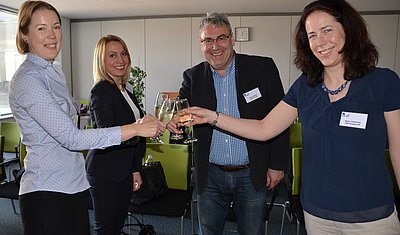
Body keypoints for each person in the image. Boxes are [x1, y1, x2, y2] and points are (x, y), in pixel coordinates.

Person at [183, 1, 400, 234]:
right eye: (312, 35)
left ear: (349, 29)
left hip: (371, 215)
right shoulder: (306, 86)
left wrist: (277, 166)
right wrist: (212, 116)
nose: (320, 42)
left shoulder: (384, 83)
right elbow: (265, 128)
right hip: (317, 214)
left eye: (327, 30)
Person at [9, 1, 165, 234]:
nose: (52, 35)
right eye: (41, 28)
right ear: (25, 35)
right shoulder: (28, 79)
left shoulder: (54, 71)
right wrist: (136, 128)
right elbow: (72, 138)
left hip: (74, 185)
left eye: (56, 26)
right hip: (47, 192)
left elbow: (75, 117)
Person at [168, 11, 290, 235]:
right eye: (208, 40)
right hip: (211, 175)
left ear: (232, 39)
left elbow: (280, 120)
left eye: (221, 38)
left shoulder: (262, 68)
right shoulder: (192, 77)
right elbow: (181, 113)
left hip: (252, 172)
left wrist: (277, 165)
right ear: (201, 44)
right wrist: (175, 122)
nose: (215, 46)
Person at [85, 34, 146, 235]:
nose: (120, 60)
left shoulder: (126, 89)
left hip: (124, 170)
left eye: (123, 54)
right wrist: (140, 128)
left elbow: (135, 131)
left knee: (117, 225)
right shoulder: (101, 91)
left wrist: (135, 169)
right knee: (106, 229)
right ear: (101, 61)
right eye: (112, 55)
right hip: (105, 171)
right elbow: (108, 135)